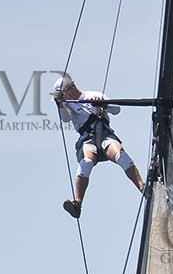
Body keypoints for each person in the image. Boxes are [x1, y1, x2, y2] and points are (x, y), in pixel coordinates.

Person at [52, 74, 144, 217]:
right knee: (86, 162)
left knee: (121, 155)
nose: (72, 90)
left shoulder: (93, 95)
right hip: (88, 138)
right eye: (68, 90)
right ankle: (77, 203)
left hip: (105, 134)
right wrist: (60, 104)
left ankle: (142, 187)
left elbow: (116, 109)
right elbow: (65, 118)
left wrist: (103, 104)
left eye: (72, 86)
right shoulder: (68, 105)